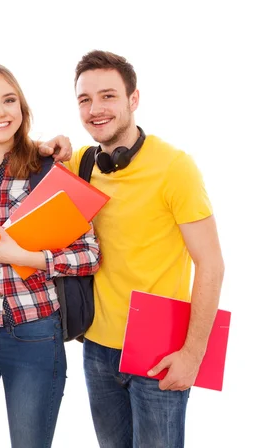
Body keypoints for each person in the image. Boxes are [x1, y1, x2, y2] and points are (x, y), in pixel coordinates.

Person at [0, 64, 101, 448]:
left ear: (22, 109)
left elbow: (89, 254)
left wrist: (28, 255)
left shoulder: (47, 172)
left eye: (9, 100)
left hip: (33, 333)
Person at [67, 50, 225, 448]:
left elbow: (211, 263)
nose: (95, 109)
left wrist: (193, 355)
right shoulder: (82, 163)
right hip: (98, 349)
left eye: (108, 96)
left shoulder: (175, 167)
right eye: (85, 99)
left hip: (159, 349)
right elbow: (21, 165)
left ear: (133, 99)